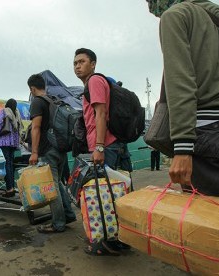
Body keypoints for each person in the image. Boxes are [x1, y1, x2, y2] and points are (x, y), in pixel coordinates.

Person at [145, 0, 219, 274]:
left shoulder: (175, 16)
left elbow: (181, 80)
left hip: (210, 131)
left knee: (212, 238)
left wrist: (183, 147)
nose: (149, 6)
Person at [74, 48, 131, 255]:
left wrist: (98, 147)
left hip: (105, 145)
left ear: (93, 63)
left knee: (106, 195)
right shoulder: (93, 83)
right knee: (110, 193)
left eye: (82, 61)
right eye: (75, 63)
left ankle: (109, 241)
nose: (77, 66)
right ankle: (114, 239)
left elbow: (101, 113)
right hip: (106, 144)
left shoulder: (94, 81)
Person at [27, 74, 76, 233]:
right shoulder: (53, 101)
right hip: (60, 148)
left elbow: (35, 128)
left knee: (51, 187)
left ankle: (58, 223)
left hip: (47, 150)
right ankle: (68, 214)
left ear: (32, 88)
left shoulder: (37, 102)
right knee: (58, 184)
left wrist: (34, 152)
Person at [0, 98, 23, 197]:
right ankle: (12, 187)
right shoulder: (17, 114)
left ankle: (9, 189)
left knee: (6, 166)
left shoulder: (4, 112)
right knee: (10, 165)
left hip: (4, 142)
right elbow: (19, 129)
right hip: (13, 144)